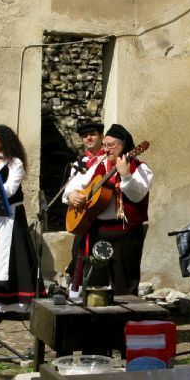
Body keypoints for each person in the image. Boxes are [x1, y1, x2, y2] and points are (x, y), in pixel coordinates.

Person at [64, 124, 152, 295]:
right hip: (98, 231)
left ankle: (124, 319)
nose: (105, 150)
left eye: (110, 145)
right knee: (95, 283)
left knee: (123, 284)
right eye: (104, 145)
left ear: (124, 145)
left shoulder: (140, 168)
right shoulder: (99, 165)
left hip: (126, 233)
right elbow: (72, 186)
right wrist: (71, 196)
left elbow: (137, 196)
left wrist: (126, 175)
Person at [0, 125, 40, 325]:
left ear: (4, 140)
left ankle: (4, 306)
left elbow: (10, 189)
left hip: (9, 215)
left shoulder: (15, 163)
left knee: (5, 262)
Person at [64, 120, 106, 293]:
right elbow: (68, 187)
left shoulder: (107, 159)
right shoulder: (80, 163)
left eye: (92, 134)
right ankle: (76, 293)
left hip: (101, 217)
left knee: (98, 258)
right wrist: (71, 195)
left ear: (101, 136)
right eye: (84, 136)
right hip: (83, 217)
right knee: (78, 254)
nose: (88, 138)